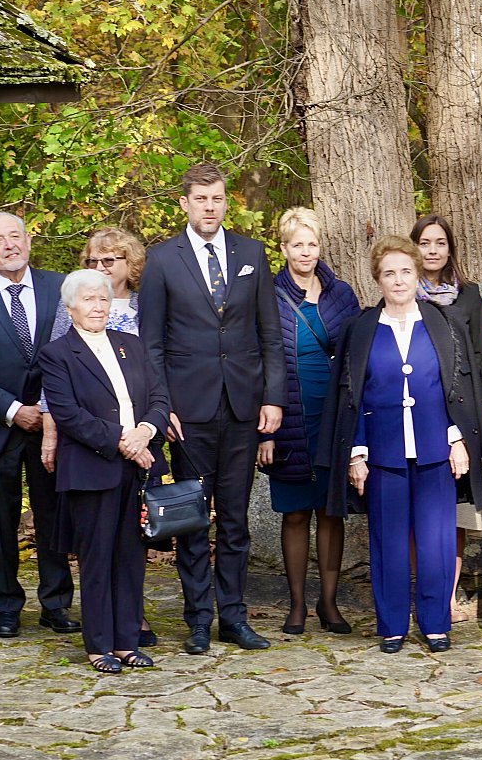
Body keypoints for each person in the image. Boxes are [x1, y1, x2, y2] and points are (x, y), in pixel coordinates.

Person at [141, 161, 286, 654]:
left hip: (244, 407)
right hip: (188, 411)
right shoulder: (162, 261)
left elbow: (270, 334)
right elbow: (151, 344)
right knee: (193, 519)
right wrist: (162, 408)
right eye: (201, 199)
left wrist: (272, 397)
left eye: (218, 198)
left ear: (227, 202)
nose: (210, 207)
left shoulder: (251, 254)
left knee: (237, 520)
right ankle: (198, 618)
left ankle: (234, 617)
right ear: (184, 203)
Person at [322, 236, 482, 653]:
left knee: (436, 541)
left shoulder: (443, 323)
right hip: (381, 454)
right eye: (389, 273)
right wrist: (356, 452)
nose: (398, 280)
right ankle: (392, 624)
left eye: (406, 272)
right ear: (378, 279)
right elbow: (349, 395)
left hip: (436, 449)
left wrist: (459, 440)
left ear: (418, 275)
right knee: (388, 542)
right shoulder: (360, 329)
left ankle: (435, 624)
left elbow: (456, 387)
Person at [0, 211, 79, 639]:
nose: (9, 244)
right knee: (1, 525)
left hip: (51, 426)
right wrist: (12, 410)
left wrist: (45, 410)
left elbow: (73, 350)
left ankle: (56, 604)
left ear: (28, 241)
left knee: (53, 517)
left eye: (15, 236)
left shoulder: (60, 287)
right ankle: (6, 607)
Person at [39, 270, 170, 674]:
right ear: (71, 308)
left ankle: (127, 641)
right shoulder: (57, 354)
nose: (97, 306)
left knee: (132, 557)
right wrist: (123, 441)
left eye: (102, 299)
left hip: (137, 468)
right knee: (98, 558)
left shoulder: (131, 344)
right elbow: (69, 415)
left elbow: (159, 396)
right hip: (93, 470)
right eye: (88, 300)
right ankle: (99, 646)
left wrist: (146, 431)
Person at [261, 208, 359, 635]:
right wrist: (260, 429)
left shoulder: (342, 294)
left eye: (312, 244)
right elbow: (258, 360)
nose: (306, 252)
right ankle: (297, 604)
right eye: (297, 244)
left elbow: (357, 355)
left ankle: (330, 604)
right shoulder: (266, 294)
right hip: (288, 415)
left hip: (335, 416)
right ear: (283, 248)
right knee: (296, 513)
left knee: (331, 512)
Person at [411, 214, 482, 619]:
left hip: (461, 412)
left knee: (455, 512)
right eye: (425, 243)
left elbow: (480, 357)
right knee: (417, 510)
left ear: (450, 248)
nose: (432, 250)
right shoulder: (405, 294)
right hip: (417, 413)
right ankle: (423, 592)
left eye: (440, 243)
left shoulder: (470, 296)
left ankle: (446, 595)